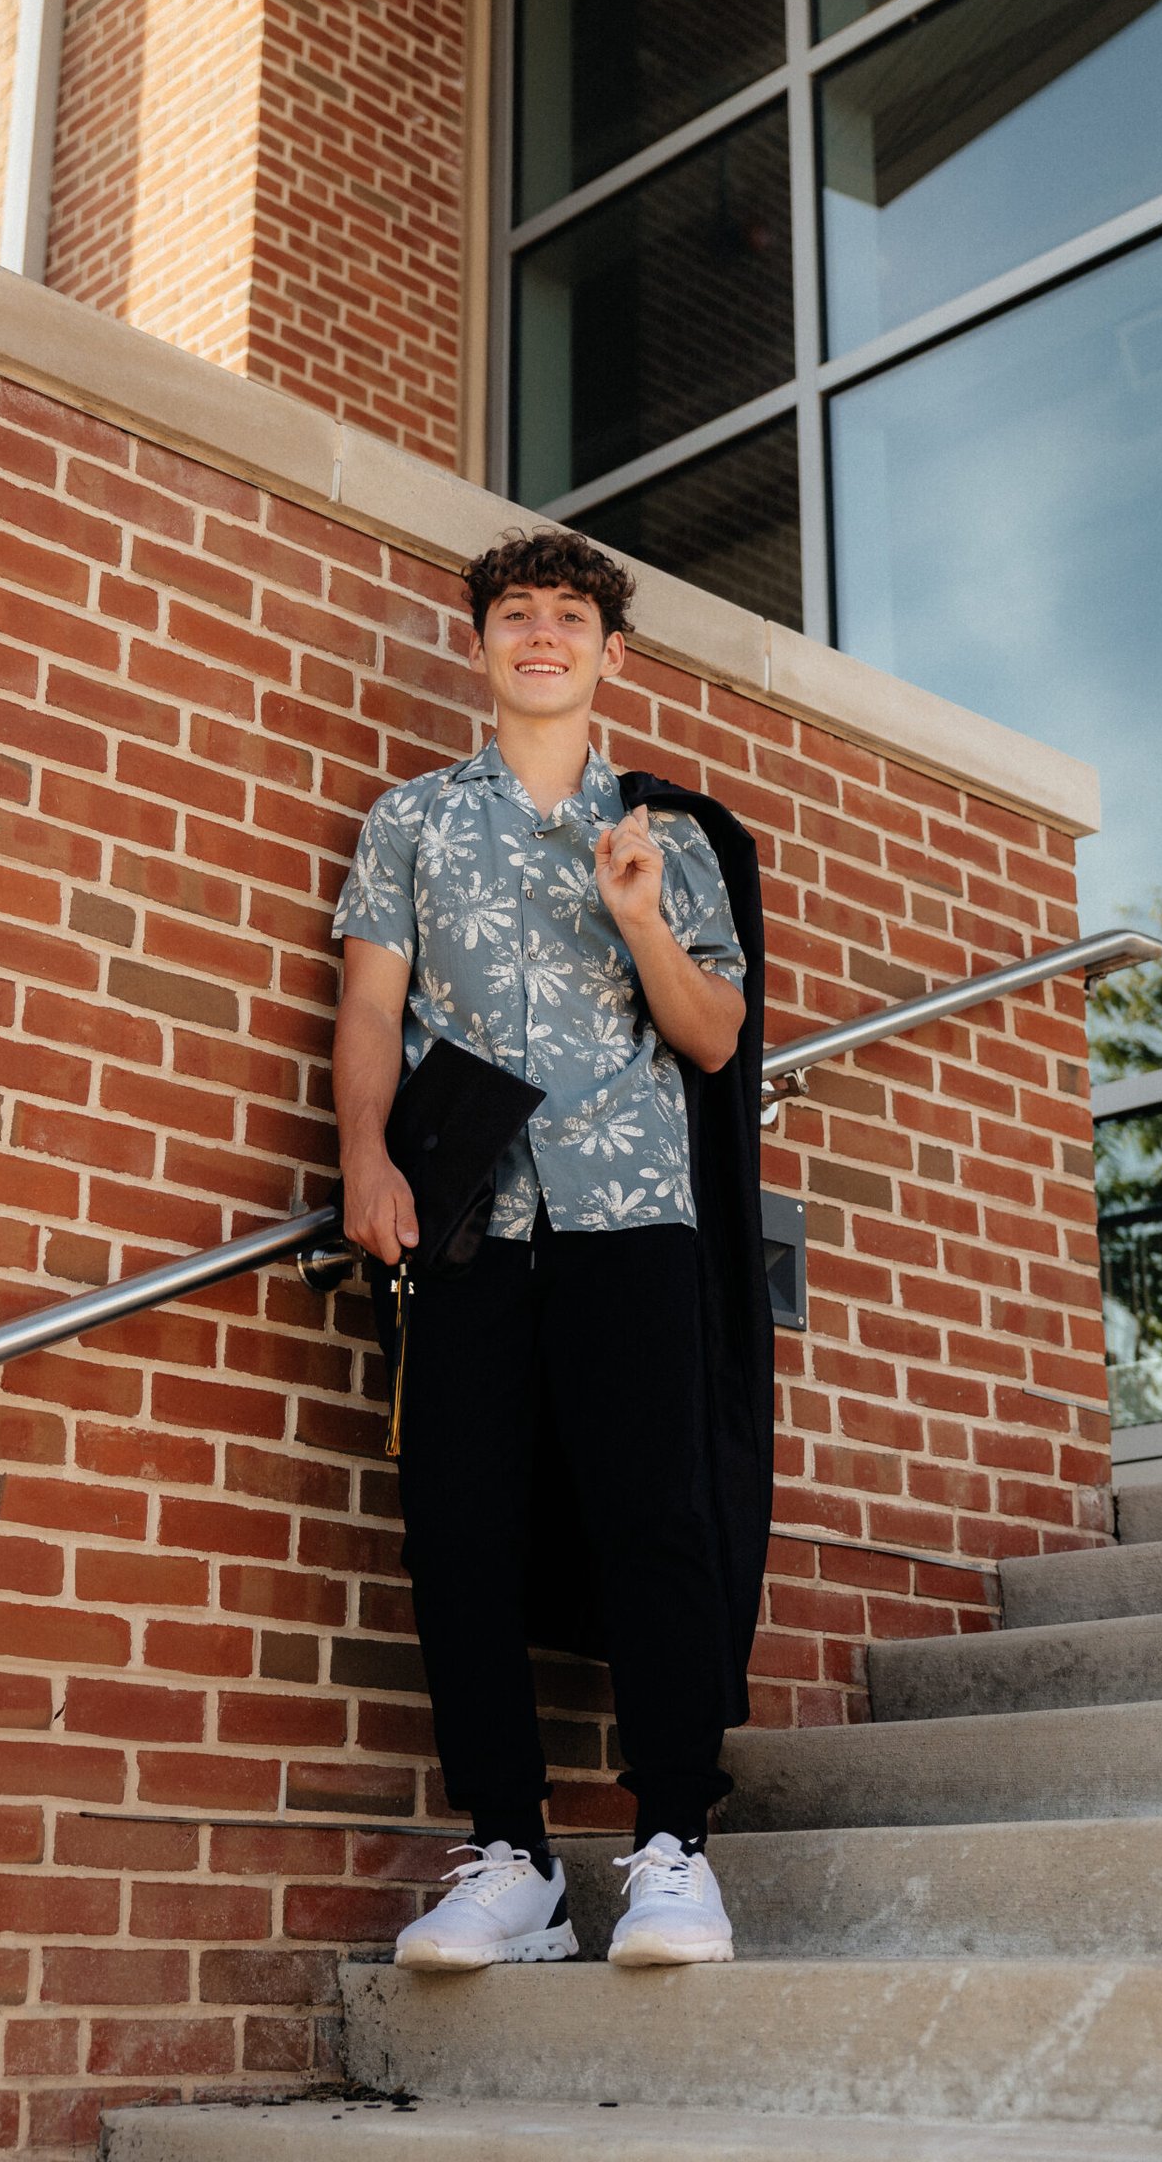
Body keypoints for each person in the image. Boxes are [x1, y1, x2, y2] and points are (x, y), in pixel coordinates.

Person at [331, 525, 770, 1970]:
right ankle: (512, 1859)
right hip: (467, 1222)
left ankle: (672, 1850)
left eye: (568, 617)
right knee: (459, 1527)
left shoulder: (671, 835)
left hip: (631, 1215)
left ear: (609, 654)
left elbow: (711, 1038)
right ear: (479, 646)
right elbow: (372, 1012)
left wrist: (640, 917)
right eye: (513, 613)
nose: (539, 635)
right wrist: (364, 1155)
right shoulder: (410, 822)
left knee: (657, 1517)